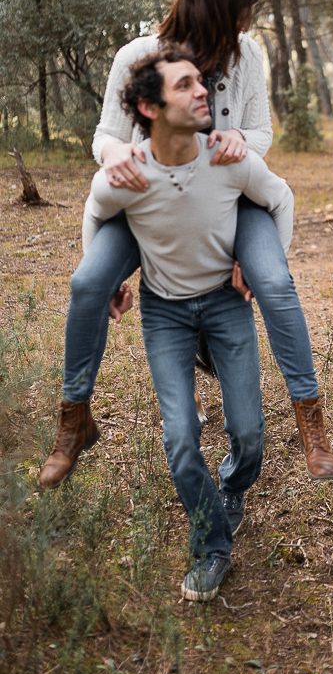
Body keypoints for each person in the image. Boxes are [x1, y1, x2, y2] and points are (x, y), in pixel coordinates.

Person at [38, 0, 333, 491]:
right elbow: (105, 133)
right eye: (240, 15)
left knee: (273, 280)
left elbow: (261, 129)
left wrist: (242, 141)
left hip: (230, 193)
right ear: (213, 11)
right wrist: (115, 157)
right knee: (88, 282)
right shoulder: (139, 56)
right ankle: (73, 417)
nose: (245, 27)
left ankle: (309, 416)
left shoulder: (246, 55)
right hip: (147, 196)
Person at [83, 46, 294, 600]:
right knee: (180, 439)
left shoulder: (227, 157)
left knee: (248, 434)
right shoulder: (128, 171)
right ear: (150, 108)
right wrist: (107, 282)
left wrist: (256, 264)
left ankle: (232, 483)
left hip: (226, 305)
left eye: (202, 82)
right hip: (165, 315)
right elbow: (95, 211)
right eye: (186, 86)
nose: (205, 91)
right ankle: (212, 545)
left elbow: (279, 196)